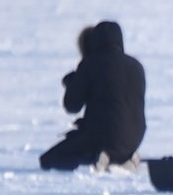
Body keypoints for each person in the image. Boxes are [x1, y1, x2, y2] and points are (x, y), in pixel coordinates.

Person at [41, 20, 147, 171]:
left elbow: (72, 105)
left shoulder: (91, 64)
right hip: (135, 138)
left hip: (101, 137)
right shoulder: (136, 66)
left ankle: (100, 157)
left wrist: (73, 83)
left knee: (48, 160)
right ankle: (124, 158)